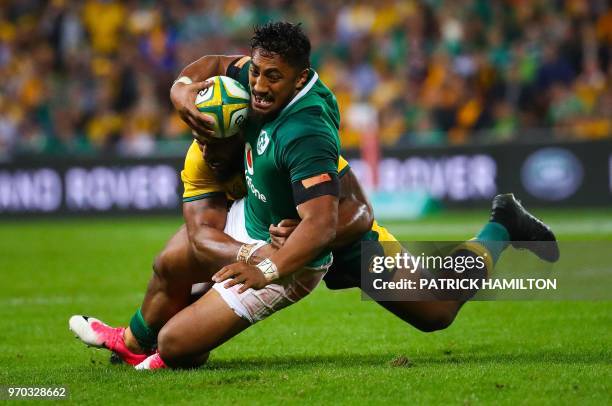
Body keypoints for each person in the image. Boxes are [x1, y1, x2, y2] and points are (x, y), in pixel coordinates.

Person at [70, 22, 559, 369]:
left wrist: (264, 266)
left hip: (332, 229)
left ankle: (502, 223)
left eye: (271, 78)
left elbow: (332, 221)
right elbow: (216, 63)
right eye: (256, 72)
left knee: (435, 310)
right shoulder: (257, 77)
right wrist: (180, 89)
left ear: (299, 78)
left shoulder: (304, 129)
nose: (257, 86)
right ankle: (139, 340)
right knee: (173, 262)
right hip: (276, 221)